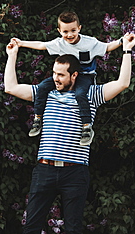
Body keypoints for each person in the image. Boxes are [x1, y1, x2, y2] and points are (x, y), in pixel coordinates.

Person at [4, 33, 135, 234]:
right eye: (54, 73)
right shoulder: (45, 93)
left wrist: (127, 51)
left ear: (74, 75)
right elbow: (11, 87)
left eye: (61, 75)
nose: (55, 78)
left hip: (74, 172)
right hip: (44, 169)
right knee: (31, 227)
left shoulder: (90, 95)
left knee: (74, 230)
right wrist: (13, 54)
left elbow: (122, 83)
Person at [11, 11, 124, 145]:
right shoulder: (59, 44)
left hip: (85, 76)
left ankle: (87, 127)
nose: (69, 35)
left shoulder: (89, 43)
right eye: (65, 32)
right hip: (65, 76)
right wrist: (21, 43)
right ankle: (37, 118)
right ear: (59, 31)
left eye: (73, 30)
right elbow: (42, 45)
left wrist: (122, 41)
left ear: (79, 29)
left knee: (80, 94)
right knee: (42, 87)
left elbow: (107, 47)